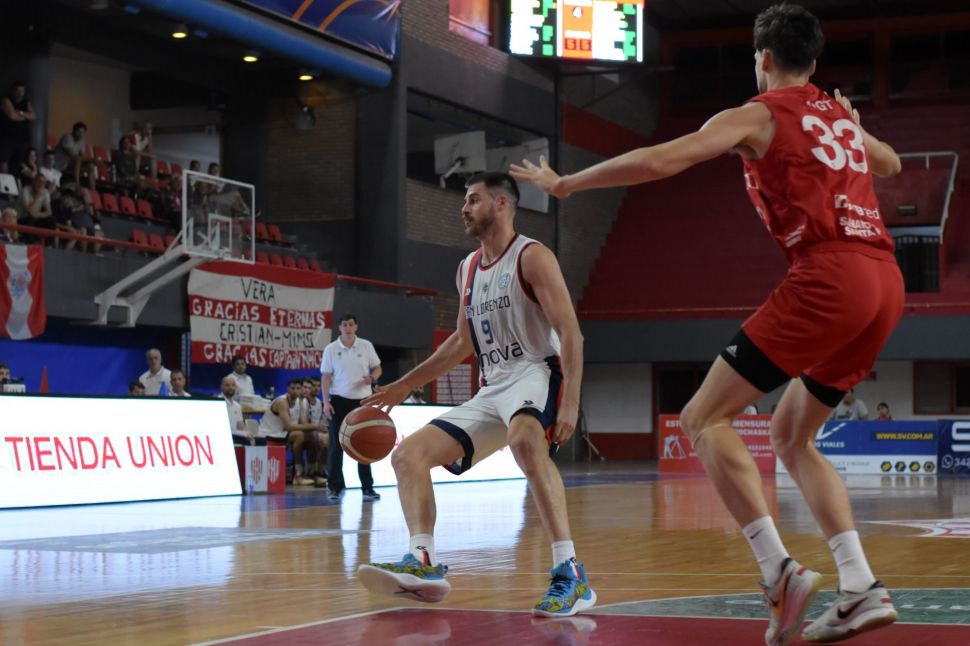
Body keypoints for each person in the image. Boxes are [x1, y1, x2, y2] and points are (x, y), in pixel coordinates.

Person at [511, 5, 900, 642]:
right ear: (812, 62)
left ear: (764, 59)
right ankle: (860, 586)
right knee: (791, 435)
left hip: (830, 273)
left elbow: (661, 160)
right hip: (885, 282)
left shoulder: (759, 113)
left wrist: (567, 184)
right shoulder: (836, 116)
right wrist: (855, 128)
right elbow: (891, 165)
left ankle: (778, 571)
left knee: (702, 416)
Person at [357, 172, 595, 618]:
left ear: (501, 204)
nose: (463, 208)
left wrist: (570, 402)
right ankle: (423, 560)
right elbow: (462, 343)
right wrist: (407, 382)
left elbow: (570, 333)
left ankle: (570, 572)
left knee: (525, 442)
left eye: (472, 199)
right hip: (493, 386)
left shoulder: (532, 257)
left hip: (536, 371)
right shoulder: (467, 268)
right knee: (407, 456)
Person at [320, 313, 383, 502]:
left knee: (364, 444)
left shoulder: (366, 346)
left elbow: (378, 368)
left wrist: (372, 378)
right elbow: (326, 377)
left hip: (362, 401)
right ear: (339, 328)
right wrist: (326, 402)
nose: (347, 328)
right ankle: (334, 487)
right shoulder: (331, 349)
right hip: (339, 400)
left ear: (356, 327)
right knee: (336, 446)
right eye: (344, 325)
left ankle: (367, 488)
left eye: (350, 324)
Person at [257, 377, 317, 485]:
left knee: (312, 435)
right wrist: (315, 426)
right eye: (292, 388)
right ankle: (298, 474)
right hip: (269, 434)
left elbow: (303, 422)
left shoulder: (299, 401)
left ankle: (311, 472)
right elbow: (288, 426)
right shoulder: (282, 402)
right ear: (287, 389)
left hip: (282, 434)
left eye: (298, 388)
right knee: (300, 435)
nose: (295, 391)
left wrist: (313, 428)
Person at [0, 82, 36, 171]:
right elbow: (12, 116)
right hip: (8, 138)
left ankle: (15, 179)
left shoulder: (26, 102)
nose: (20, 93)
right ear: (13, 91)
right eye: (17, 90)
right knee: (4, 161)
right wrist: (25, 116)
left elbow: (33, 116)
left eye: (22, 91)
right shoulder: (6, 100)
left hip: (22, 139)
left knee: (19, 163)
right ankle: (3, 178)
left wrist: (20, 113)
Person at [221, 375, 254, 444]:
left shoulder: (237, 406)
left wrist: (247, 433)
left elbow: (240, 424)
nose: (231, 387)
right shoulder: (218, 403)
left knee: (256, 440)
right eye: (227, 385)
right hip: (224, 436)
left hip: (236, 436)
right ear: (222, 387)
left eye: (233, 385)